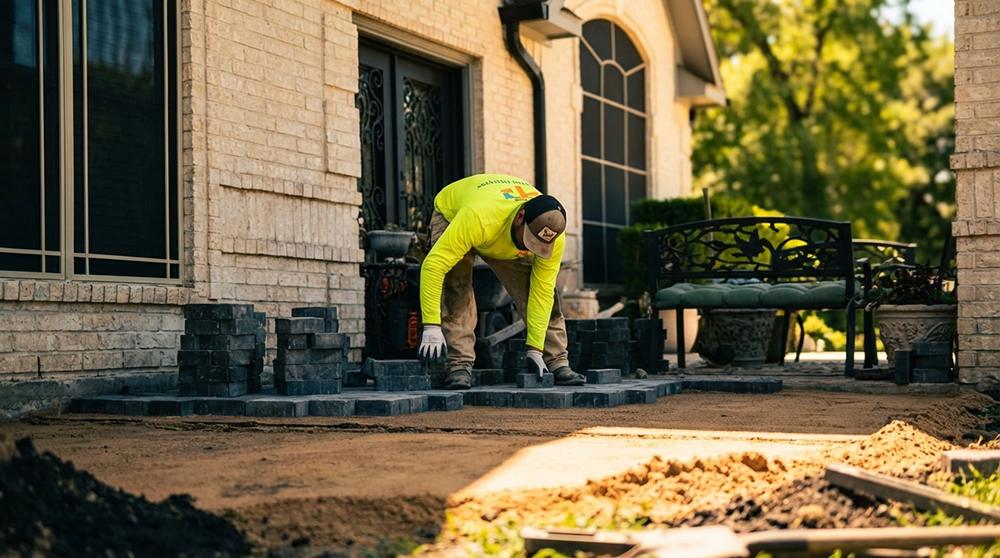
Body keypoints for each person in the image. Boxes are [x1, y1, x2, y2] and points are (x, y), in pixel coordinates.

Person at [417, 174, 586, 390]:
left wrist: (535, 348)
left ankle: (556, 360)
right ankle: (458, 365)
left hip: (497, 232)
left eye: (538, 244)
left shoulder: (552, 233)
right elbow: (433, 266)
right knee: (456, 287)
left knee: (545, 295)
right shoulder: (478, 217)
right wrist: (431, 325)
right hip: (457, 216)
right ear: (520, 217)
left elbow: (541, 292)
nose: (529, 249)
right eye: (529, 240)